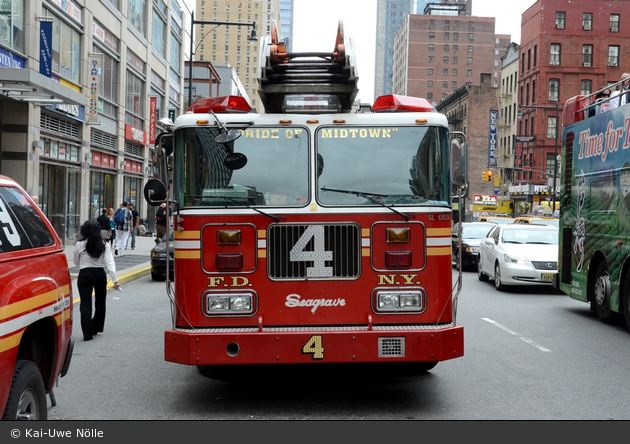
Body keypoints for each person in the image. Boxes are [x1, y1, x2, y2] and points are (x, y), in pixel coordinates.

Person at [73, 220, 119, 341]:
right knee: (100, 303)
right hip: (99, 274)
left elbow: (75, 261)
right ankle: (96, 327)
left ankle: (87, 333)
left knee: (85, 303)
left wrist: (83, 263)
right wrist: (115, 280)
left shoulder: (79, 244)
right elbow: (110, 263)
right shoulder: (104, 244)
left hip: (84, 274)